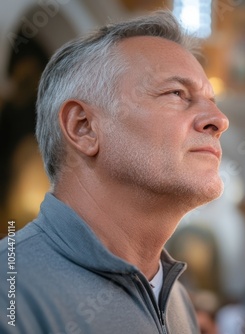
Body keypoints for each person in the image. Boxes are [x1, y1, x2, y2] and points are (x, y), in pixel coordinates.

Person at [0, 9, 229, 333]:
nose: (219, 120)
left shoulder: (177, 299)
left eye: (211, 99)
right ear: (83, 128)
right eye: (177, 93)